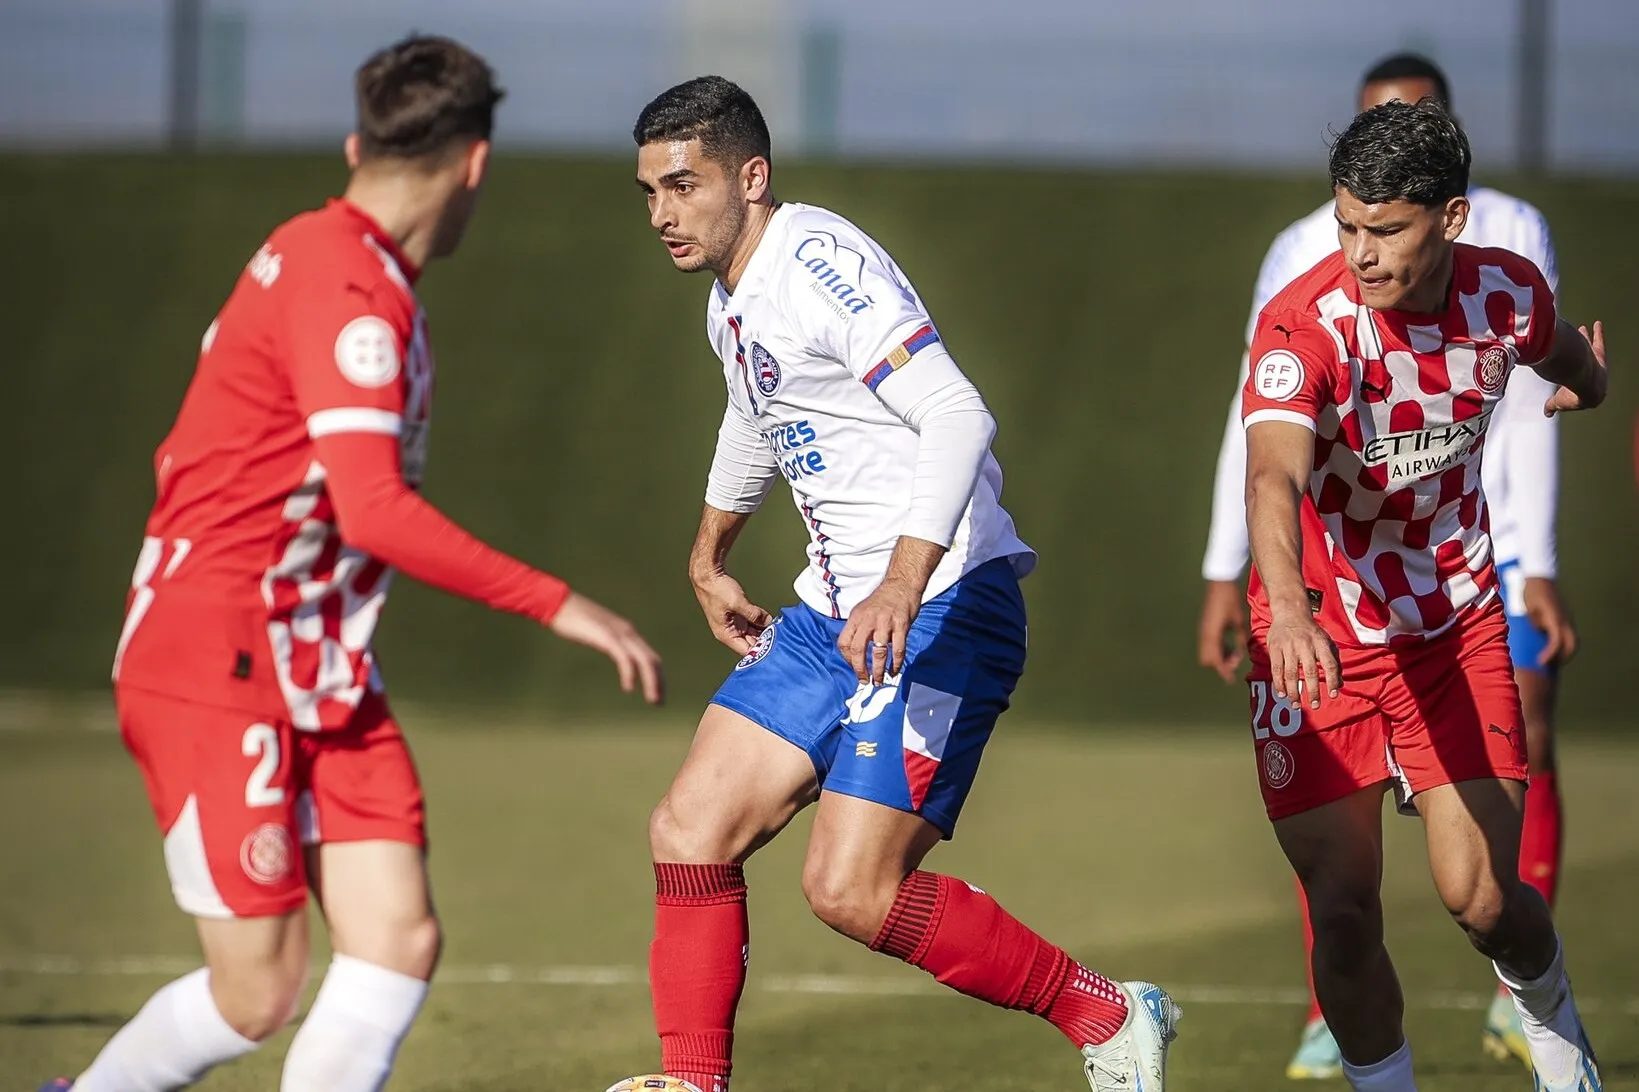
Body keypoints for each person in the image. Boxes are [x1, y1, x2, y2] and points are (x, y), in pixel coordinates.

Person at [39, 34, 662, 1092]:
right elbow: (374, 513)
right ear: (476, 165)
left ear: (353, 145)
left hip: (314, 661)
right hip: (217, 657)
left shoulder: (349, 264)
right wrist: (561, 605)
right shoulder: (346, 287)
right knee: (258, 992)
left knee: (395, 939)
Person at [627, 76, 1180, 1092]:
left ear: (751, 176)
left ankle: (1104, 1013)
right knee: (688, 828)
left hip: (942, 608)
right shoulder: (732, 300)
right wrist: (708, 557)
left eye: (683, 184)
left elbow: (959, 415)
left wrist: (899, 582)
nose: (663, 211)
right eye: (650, 191)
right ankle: (694, 1086)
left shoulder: (818, 263)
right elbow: (755, 419)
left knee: (849, 888)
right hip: (832, 619)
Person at [1195, 52, 1576, 1078]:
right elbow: (1269, 477)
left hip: (1454, 622)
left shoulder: (1507, 294)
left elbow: (1563, 354)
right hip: (1317, 632)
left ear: (1449, 221)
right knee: (1342, 908)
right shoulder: (1299, 325)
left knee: (1483, 900)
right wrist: (1282, 603)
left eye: (1385, 231)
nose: (1357, 254)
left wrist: (1583, 380)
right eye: (1344, 227)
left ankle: (1551, 1027)